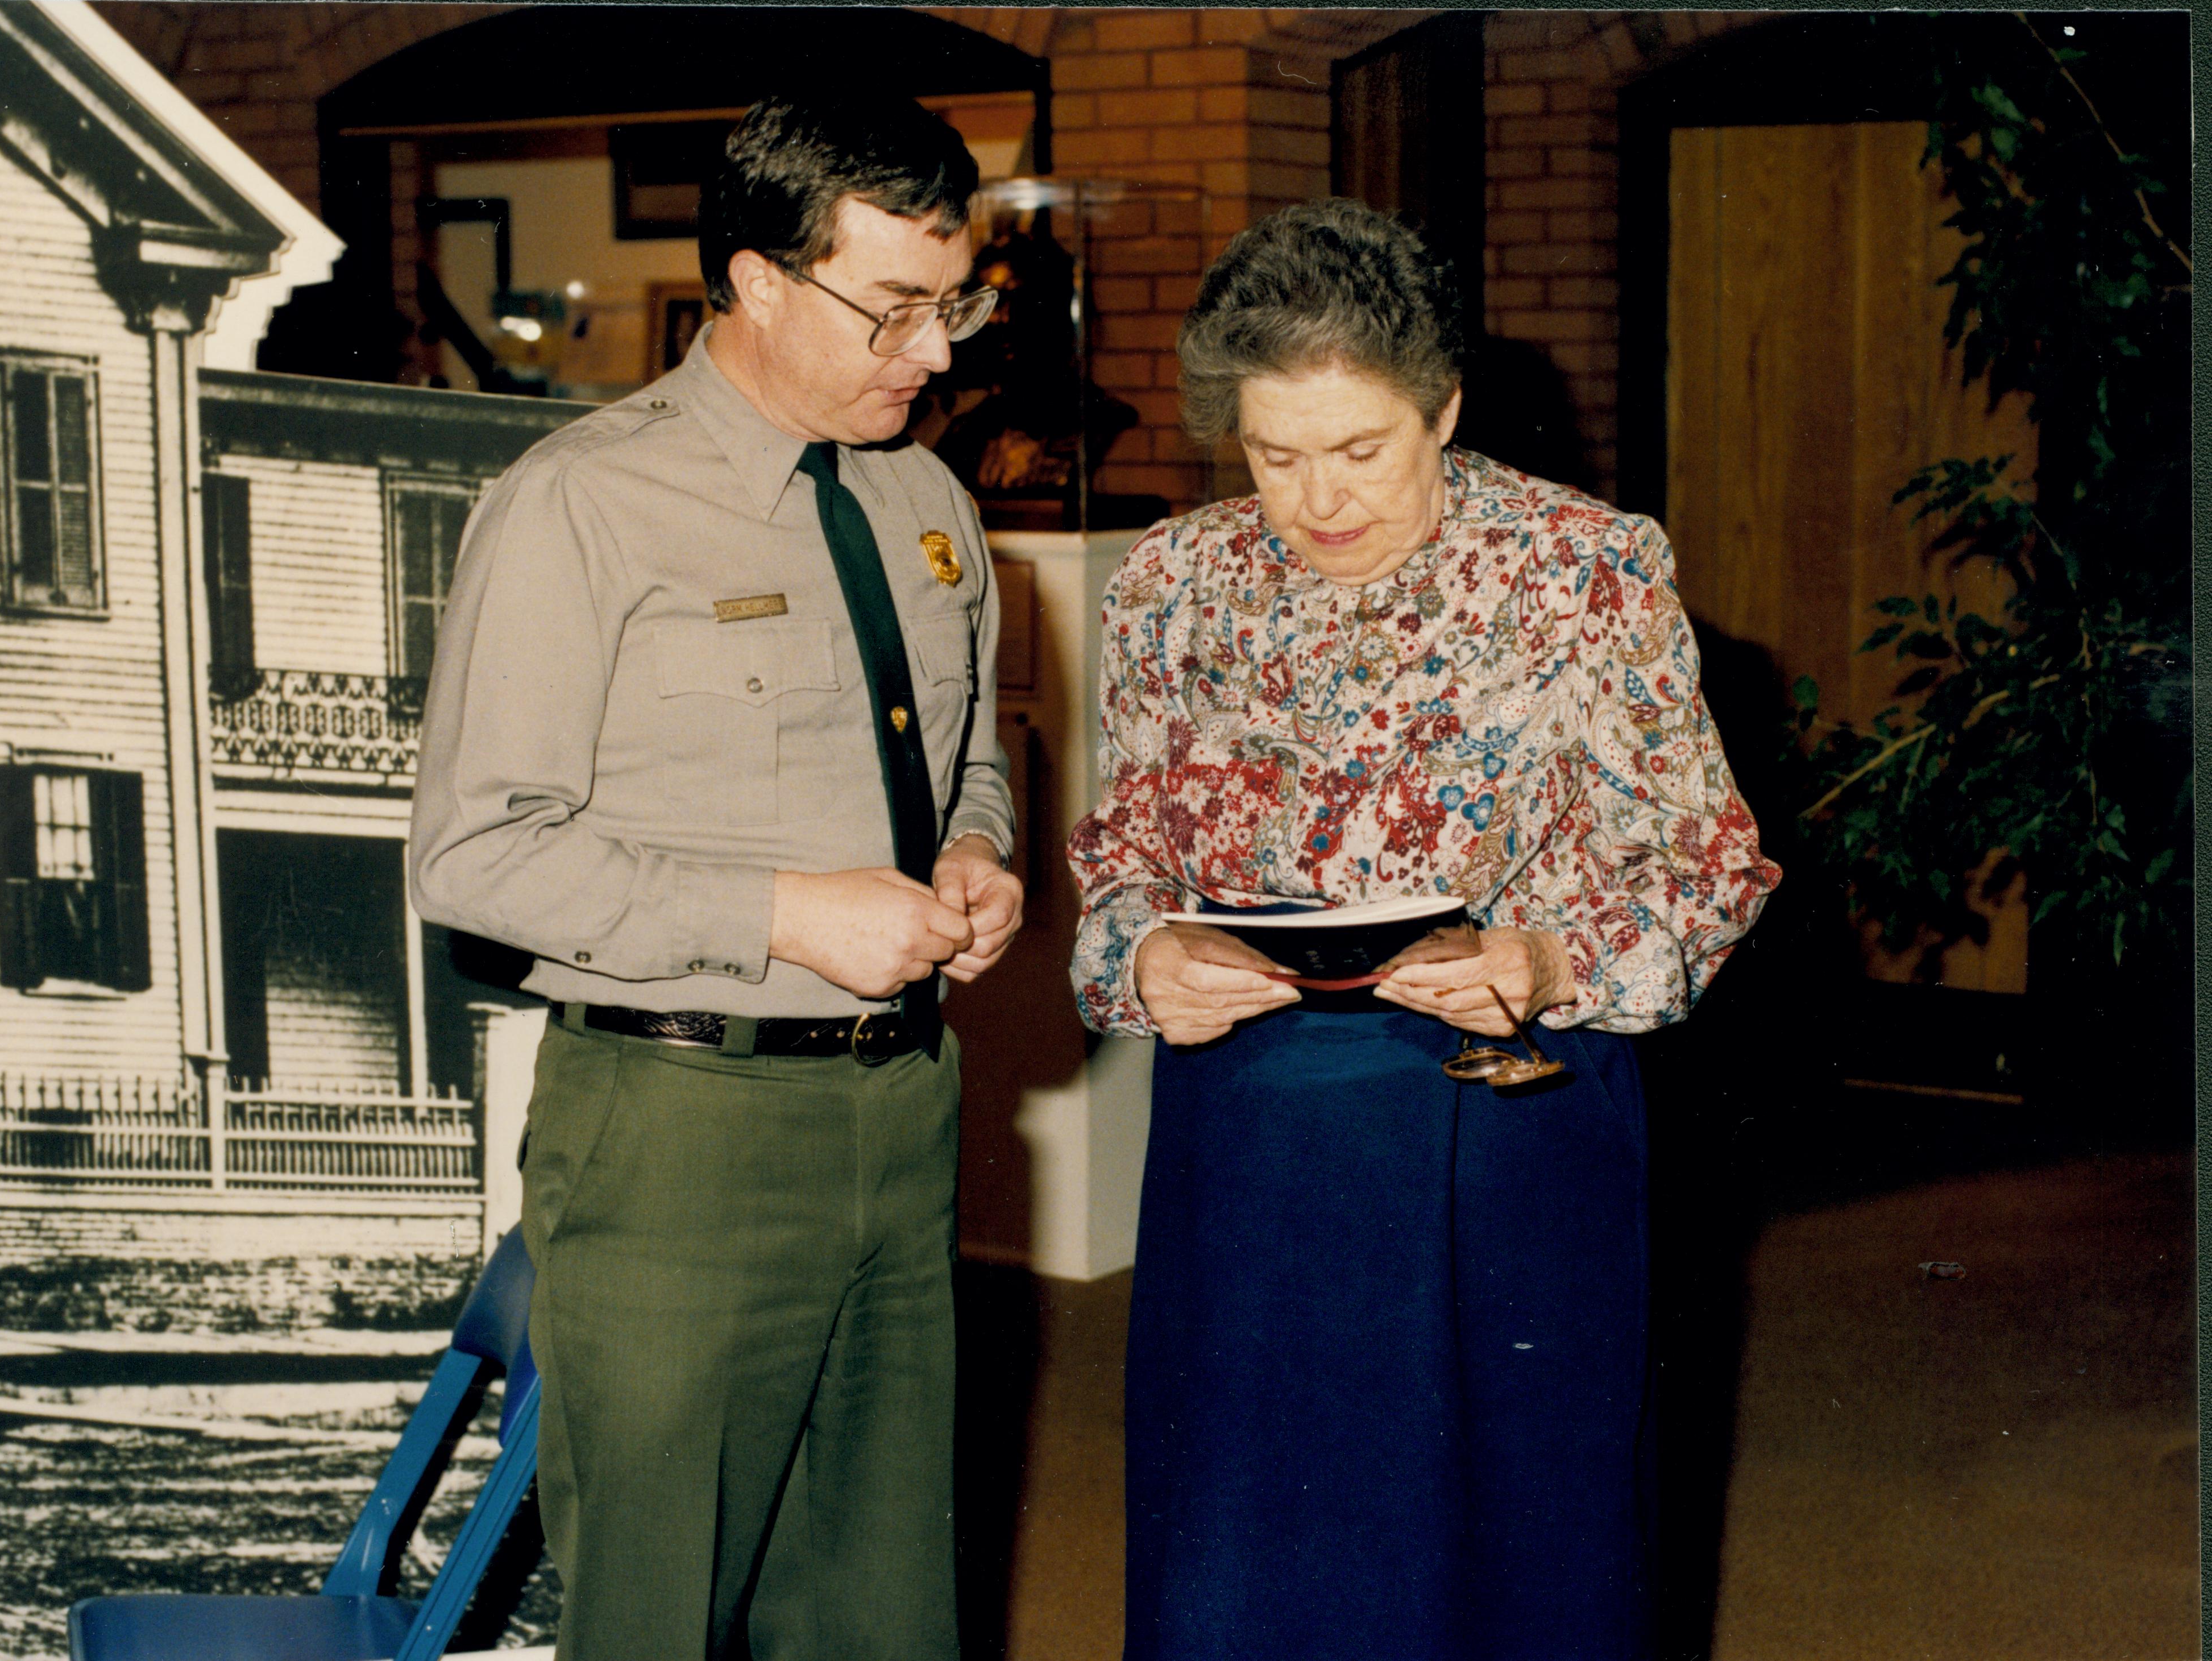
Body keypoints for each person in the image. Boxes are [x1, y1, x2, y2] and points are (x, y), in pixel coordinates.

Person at [1066, 199, 1782, 1661]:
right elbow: (1121, 863)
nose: (1318, 498)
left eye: (1359, 450)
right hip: (1251, 1130)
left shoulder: (1583, 570)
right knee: (1249, 1566)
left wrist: (1550, 960)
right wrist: (1142, 956)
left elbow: (1708, 865)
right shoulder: (1167, 585)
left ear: (1440, 408)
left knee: (1511, 1561)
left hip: (1504, 1108)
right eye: (1274, 456)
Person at [409, 92, 1024, 1661]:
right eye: (892, 307)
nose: (934, 351)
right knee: (657, 1607)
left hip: (899, 1111)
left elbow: (967, 758)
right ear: (754, 280)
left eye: (952, 302)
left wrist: (975, 852)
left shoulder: (926, 501)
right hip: (679, 1130)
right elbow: (474, 855)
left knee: (885, 1599)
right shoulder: (580, 503)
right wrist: (784, 913)